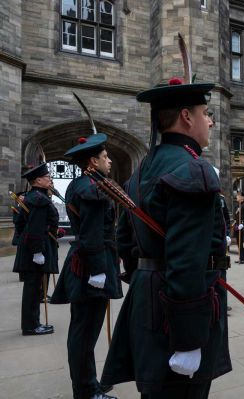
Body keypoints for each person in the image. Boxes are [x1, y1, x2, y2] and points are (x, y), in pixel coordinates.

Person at [101, 77, 231, 399]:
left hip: (148, 298)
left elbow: (125, 239)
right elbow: (187, 262)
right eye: (206, 112)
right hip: (178, 313)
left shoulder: (142, 168)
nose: (211, 121)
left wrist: (144, 276)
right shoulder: (192, 170)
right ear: (187, 117)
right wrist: (189, 340)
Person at [50, 133, 122, 399]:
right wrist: (99, 271)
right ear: (93, 160)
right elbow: (92, 233)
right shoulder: (92, 188)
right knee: (84, 332)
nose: (110, 161)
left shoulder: (82, 184)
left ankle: (88, 384)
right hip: (91, 265)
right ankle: (86, 390)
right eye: (105, 157)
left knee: (84, 330)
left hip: (90, 261)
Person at [13, 164, 57, 336]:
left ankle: (32, 323)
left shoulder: (33, 196)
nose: (50, 179)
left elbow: (25, 224)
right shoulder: (39, 199)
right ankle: (31, 326)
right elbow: (35, 228)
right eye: (47, 177)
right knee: (32, 289)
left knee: (32, 288)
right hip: (34, 249)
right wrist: (38, 252)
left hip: (31, 246)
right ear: (38, 180)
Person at [234, 191, 244, 264]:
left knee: (242, 242)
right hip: (238, 226)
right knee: (239, 242)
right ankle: (240, 257)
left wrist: (243, 224)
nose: (236, 197)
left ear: (242, 198)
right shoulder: (238, 205)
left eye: (238, 196)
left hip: (243, 227)